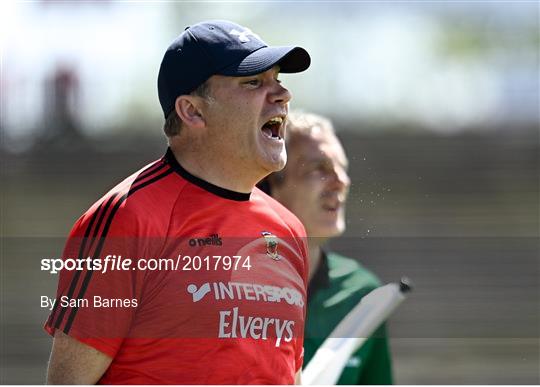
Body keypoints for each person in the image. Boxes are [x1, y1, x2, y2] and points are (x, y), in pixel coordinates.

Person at [44, 20, 311, 384]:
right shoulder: (128, 218)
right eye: (253, 82)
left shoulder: (289, 230)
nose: (282, 94)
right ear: (192, 111)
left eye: (278, 79)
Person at [259, 111, 394, 384]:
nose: (340, 181)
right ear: (270, 185)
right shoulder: (225, 286)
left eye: (342, 168)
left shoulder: (362, 293)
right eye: (318, 169)